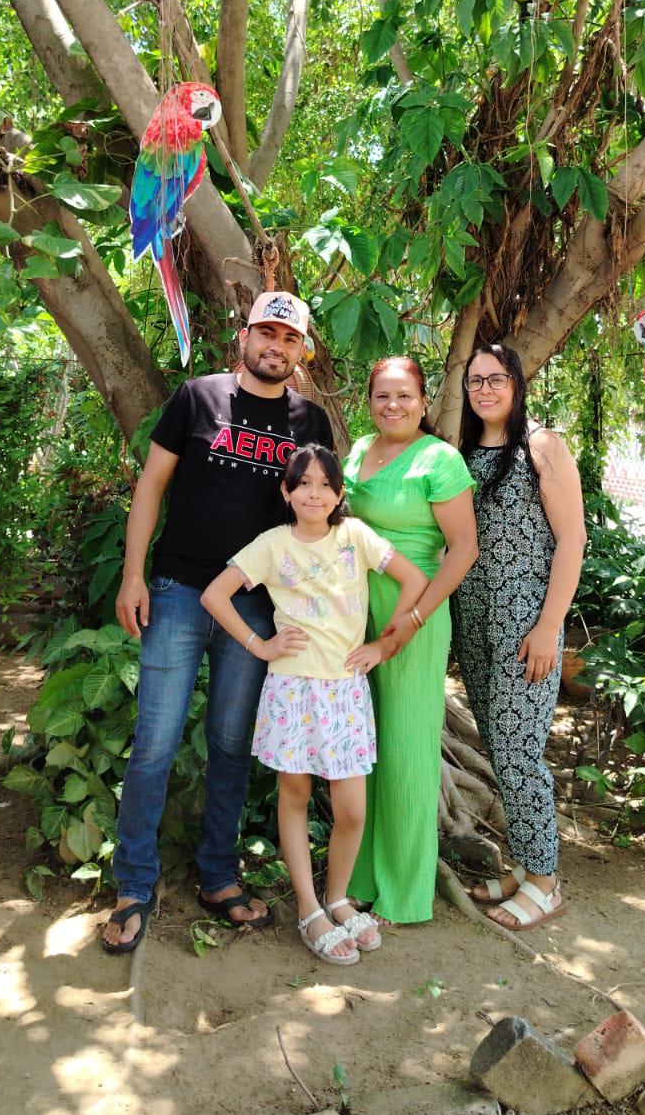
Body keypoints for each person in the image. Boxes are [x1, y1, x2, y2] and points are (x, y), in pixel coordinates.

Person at [100, 291, 333, 955]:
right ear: (244, 336)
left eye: (288, 338)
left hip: (254, 605)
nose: (275, 345)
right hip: (177, 589)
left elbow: (314, 514)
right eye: (266, 331)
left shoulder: (308, 419)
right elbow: (150, 487)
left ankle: (217, 875)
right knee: (155, 741)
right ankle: (134, 885)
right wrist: (133, 574)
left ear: (301, 350)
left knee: (231, 743)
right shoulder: (197, 398)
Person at [201, 446, 427, 964]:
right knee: (296, 796)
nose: (314, 493)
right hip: (293, 691)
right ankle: (309, 908)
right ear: (286, 491)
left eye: (326, 484)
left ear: (340, 493)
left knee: (351, 810)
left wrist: (384, 644)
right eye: (303, 483)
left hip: (345, 691)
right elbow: (215, 595)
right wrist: (260, 646)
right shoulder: (272, 544)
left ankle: (338, 897)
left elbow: (415, 581)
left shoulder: (355, 537)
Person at [452, 342, 586, 933]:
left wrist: (549, 627)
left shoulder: (541, 445)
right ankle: (527, 868)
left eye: (495, 379)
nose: (484, 390)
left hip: (525, 624)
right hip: (473, 623)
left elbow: (572, 540)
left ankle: (547, 885)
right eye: (475, 381)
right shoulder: (463, 454)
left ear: (516, 382)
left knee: (520, 751)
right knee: (502, 749)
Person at [340, 356, 479, 925]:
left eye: (403, 396)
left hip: (412, 613)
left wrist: (414, 619)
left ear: (424, 401)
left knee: (404, 751)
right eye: (381, 396)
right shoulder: (356, 451)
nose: (392, 406)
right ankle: (360, 879)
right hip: (353, 615)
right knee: (362, 748)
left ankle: (403, 892)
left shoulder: (439, 459)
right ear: (368, 400)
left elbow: (463, 549)